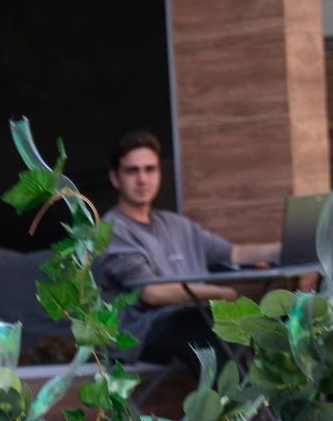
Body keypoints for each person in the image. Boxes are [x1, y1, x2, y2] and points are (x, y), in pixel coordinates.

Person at [95, 130, 264, 365]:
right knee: (203, 329)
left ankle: (265, 399)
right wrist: (220, 293)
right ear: (115, 178)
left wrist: (289, 248)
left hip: (195, 317)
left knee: (264, 325)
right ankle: (230, 402)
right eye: (132, 171)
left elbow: (234, 253)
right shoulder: (111, 230)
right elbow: (153, 293)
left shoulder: (176, 224)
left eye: (150, 169)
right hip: (141, 333)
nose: (142, 179)